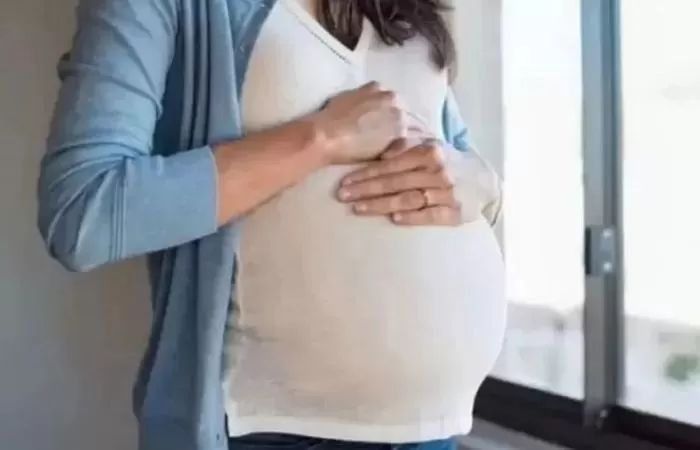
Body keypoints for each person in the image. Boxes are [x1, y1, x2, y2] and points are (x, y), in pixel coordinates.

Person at [38, 1, 506, 450]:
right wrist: (321, 138)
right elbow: (83, 213)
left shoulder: (407, 8)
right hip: (274, 428)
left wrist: (481, 182)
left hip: (432, 427)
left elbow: (456, 159)